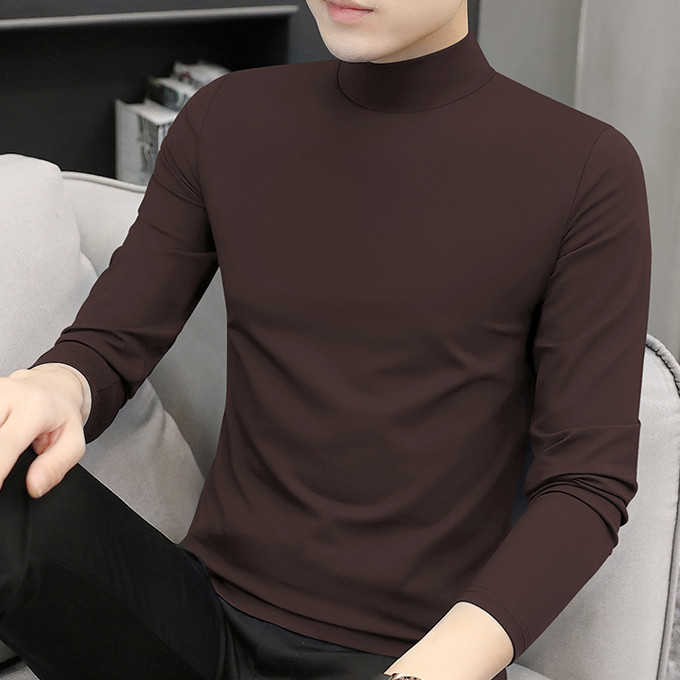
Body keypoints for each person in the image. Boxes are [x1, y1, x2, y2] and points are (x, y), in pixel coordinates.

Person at [0, 0, 652, 679]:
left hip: (407, 656)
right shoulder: (227, 117)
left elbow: (586, 483)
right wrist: (58, 384)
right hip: (198, 622)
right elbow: (113, 340)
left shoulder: (585, 168)